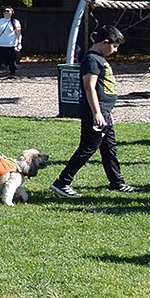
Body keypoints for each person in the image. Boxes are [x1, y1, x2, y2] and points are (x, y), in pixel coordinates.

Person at [50, 25, 141, 197]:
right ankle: (62, 182)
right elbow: (89, 86)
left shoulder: (99, 58)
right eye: (114, 46)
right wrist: (97, 113)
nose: (115, 50)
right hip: (95, 113)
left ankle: (117, 182)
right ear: (105, 42)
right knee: (88, 147)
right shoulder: (92, 59)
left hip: (104, 112)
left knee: (109, 148)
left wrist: (106, 111)